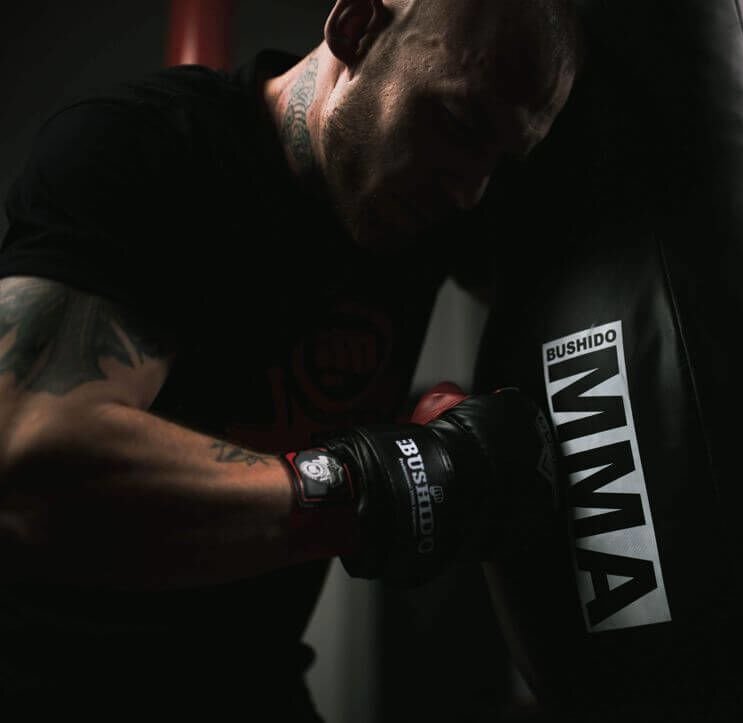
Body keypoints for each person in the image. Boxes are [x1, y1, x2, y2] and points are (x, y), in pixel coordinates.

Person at [0, 0, 581, 720]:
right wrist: (377, 487)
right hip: (55, 686)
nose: (469, 190)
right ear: (358, 28)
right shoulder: (141, 146)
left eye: (498, 158)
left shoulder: (431, 195)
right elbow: (27, 457)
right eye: (458, 124)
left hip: (252, 679)